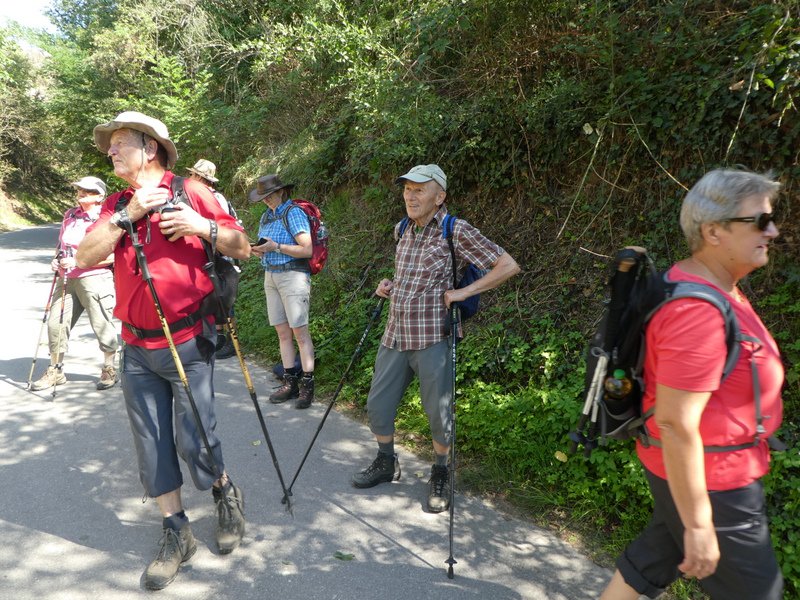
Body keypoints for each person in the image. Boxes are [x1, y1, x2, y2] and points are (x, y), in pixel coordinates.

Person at [75, 111, 250, 590]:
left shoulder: (190, 191)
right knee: (152, 445)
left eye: (118, 144)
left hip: (187, 340)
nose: (109, 151)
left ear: (149, 148)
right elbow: (84, 257)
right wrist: (125, 216)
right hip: (136, 346)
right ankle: (177, 532)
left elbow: (243, 246)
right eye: (108, 145)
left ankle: (223, 492)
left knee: (196, 439)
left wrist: (201, 226)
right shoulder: (116, 203)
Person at [599, 168, 784, 600]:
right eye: (759, 220)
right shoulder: (697, 311)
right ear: (713, 230)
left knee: (648, 565)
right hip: (716, 481)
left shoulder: (716, 287)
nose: (772, 231)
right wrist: (700, 524)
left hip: (693, 471)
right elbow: (676, 422)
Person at [351, 164, 520, 512]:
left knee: (438, 415)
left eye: (419, 190)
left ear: (439, 196)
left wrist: (465, 292)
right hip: (395, 334)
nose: (410, 197)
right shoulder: (402, 229)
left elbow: (507, 265)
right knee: (377, 408)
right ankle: (386, 462)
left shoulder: (454, 230)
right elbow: (409, 276)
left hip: (434, 337)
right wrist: (389, 286)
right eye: (407, 190)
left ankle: (441, 471)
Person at [30, 176, 119, 392]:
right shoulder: (70, 215)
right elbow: (62, 244)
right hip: (66, 276)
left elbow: (117, 255)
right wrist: (55, 259)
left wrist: (81, 261)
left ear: (100, 196)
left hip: (95, 276)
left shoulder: (107, 219)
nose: (81, 193)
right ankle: (55, 370)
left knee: (102, 323)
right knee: (56, 324)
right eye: (80, 189)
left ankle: (109, 367)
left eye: (87, 191)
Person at [249, 174, 316, 409]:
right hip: (272, 275)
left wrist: (275, 246)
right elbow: (267, 247)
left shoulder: (293, 213)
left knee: (300, 333)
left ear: (280, 192)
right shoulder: (267, 216)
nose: (266, 200)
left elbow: (306, 249)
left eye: (269, 195)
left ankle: (307, 384)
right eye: (263, 197)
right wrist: (259, 250)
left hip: (293, 276)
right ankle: (289, 382)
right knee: (282, 332)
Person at [186, 158, 240, 360]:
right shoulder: (198, 196)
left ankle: (231, 340)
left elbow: (224, 227)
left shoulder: (215, 198)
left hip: (220, 255)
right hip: (208, 254)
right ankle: (218, 337)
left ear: (200, 177)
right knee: (213, 297)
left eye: (193, 175)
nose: (190, 178)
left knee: (225, 298)